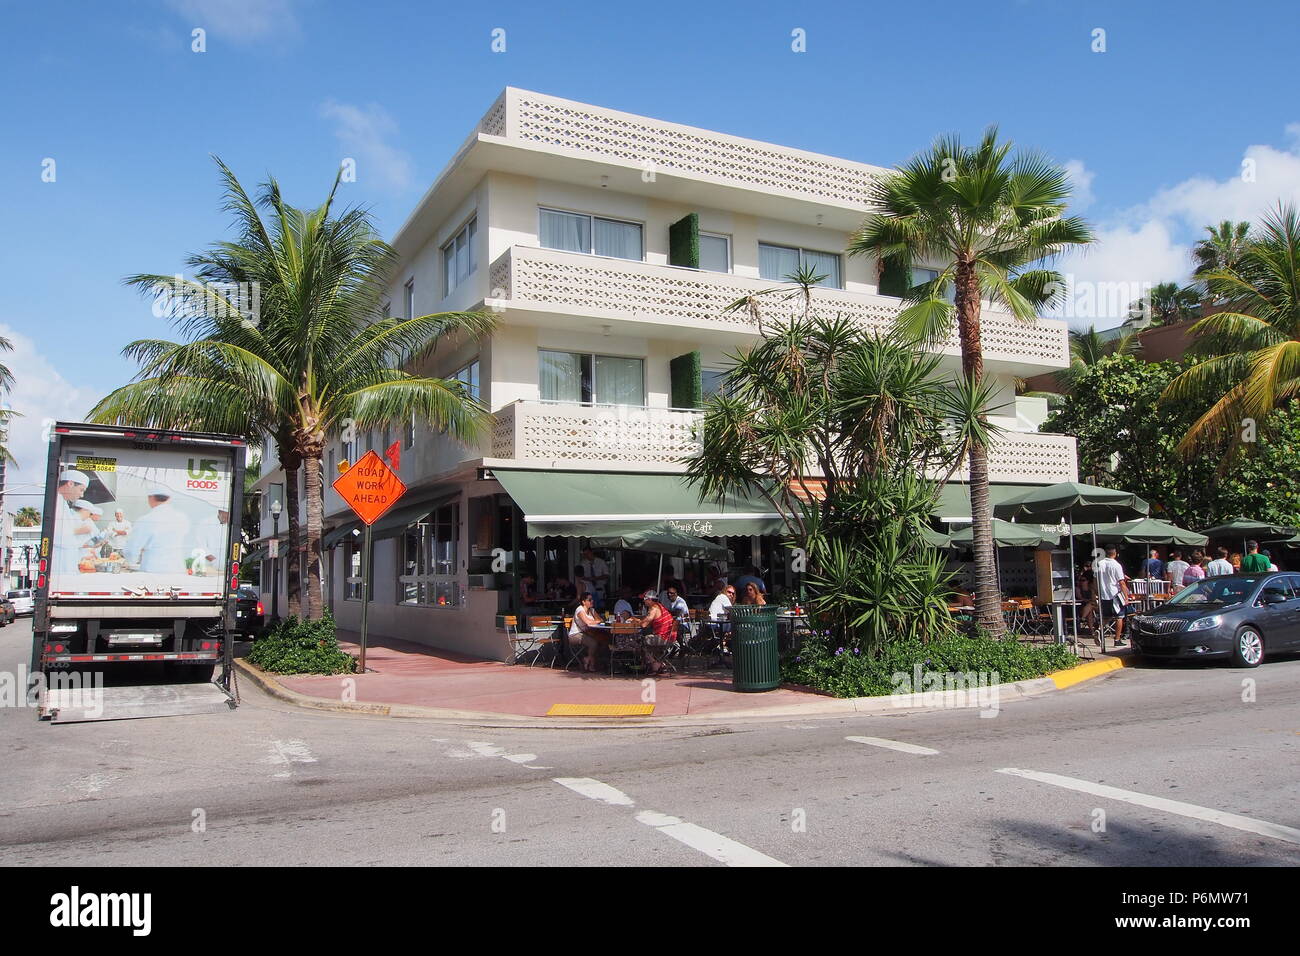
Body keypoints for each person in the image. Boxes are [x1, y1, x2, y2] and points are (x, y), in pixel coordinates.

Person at [122, 488, 192, 574]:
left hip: (153, 570)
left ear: (150, 498)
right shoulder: (182, 518)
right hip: (177, 569)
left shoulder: (146, 520)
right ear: (169, 498)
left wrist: (131, 562)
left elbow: (131, 550)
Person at [52, 470, 90, 576]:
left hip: (67, 563)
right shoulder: (55, 501)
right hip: (60, 564)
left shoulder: (62, 502)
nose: (81, 495)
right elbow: (59, 535)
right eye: (81, 490)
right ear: (70, 483)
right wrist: (79, 531)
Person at [1094, 546, 1133, 645]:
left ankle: (1099, 629)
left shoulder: (1099, 563)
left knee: (1107, 616)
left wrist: (1096, 592)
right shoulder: (1116, 565)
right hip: (1114, 594)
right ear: (1115, 554)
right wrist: (1126, 597)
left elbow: (1094, 580)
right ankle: (1117, 639)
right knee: (1119, 617)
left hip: (1103, 594)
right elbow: (1122, 583)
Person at [568, 592, 608, 672]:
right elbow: (588, 622)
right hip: (575, 635)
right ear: (583, 602)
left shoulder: (592, 610)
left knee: (604, 641)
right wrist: (595, 621)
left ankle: (591, 661)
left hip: (589, 633)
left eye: (592, 599)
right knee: (593, 643)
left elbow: (601, 620)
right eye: (589, 600)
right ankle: (589, 662)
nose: (592, 601)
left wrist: (595, 621)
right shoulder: (580, 610)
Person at [639, 590, 677, 676]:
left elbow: (644, 624)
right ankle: (660, 664)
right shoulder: (660, 607)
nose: (643, 601)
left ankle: (654, 664)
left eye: (644, 599)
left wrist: (637, 622)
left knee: (641, 641)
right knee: (651, 642)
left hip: (663, 638)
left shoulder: (654, 608)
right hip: (669, 638)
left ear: (649, 599)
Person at [196, 507, 231, 575]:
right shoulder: (205, 523)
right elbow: (201, 546)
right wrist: (214, 561)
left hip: (225, 570)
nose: (227, 519)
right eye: (226, 515)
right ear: (220, 512)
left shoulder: (230, 526)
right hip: (208, 568)